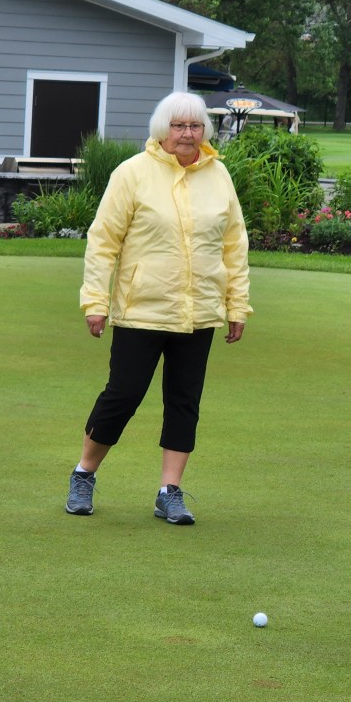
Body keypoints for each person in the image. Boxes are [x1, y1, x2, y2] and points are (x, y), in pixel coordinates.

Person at [65, 91, 252, 525]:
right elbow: (103, 242)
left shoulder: (219, 175)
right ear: (162, 129)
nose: (187, 133)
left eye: (195, 125)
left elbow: (234, 245)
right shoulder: (132, 173)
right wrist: (95, 301)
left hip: (199, 312)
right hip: (141, 310)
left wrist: (237, 305)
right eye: (178, 125)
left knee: (185, 401)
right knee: (123, 395)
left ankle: (170, 491)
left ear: (204, 130)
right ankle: (84, 473)